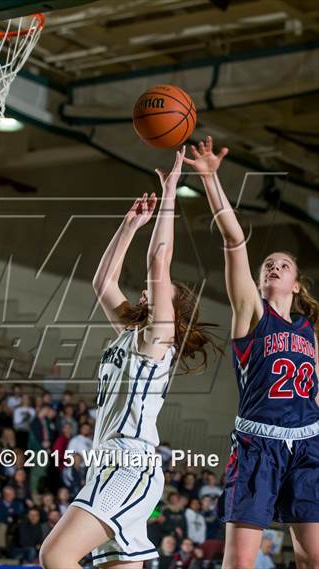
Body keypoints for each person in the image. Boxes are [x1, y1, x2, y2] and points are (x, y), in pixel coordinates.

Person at [39, 149, 217, 568]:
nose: (149, 290)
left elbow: (159, 260)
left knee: (55, 554)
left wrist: (170, 190)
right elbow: (103, 282)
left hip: (129, 463)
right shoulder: (132, 334)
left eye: (161, 292)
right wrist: (130, 224)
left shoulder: (160, 337)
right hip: (110, 463)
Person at [184, 136, 319, 568]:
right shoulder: (251, 312)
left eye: (283, 265)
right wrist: (210, 179)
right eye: (268, 265)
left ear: (296, 283)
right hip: (258, 444)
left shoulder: (310, 330)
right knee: (241, 563)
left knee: (313, 557)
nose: (273, 266)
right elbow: (234, 241)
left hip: (309, 444)